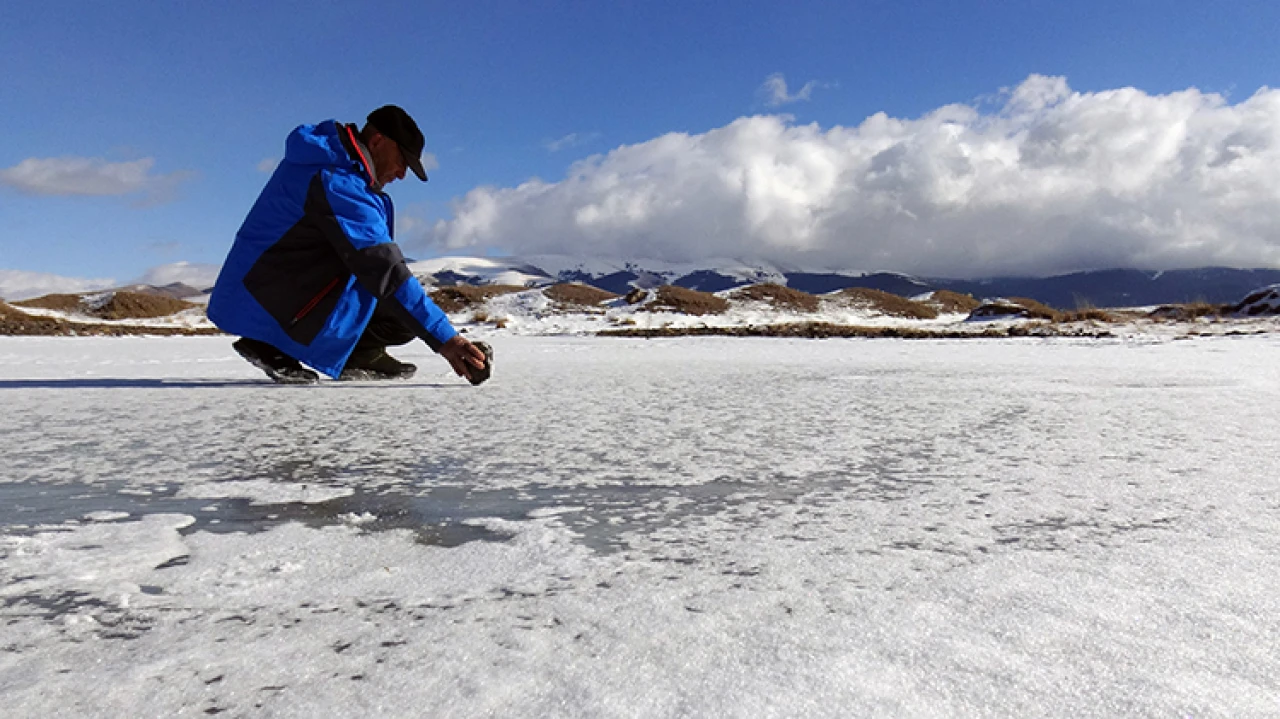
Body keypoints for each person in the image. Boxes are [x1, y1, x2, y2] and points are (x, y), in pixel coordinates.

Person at [207, 105, 490, 384]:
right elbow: (384, 268)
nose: (402, 174)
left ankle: (357, 355)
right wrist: (447, 340)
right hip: (265, 298)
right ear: (378, 141)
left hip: (273, 289)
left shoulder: (340, 171)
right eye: (402, 160)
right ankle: (269, 343)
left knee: (402, 318)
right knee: (398, 296)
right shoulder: (337, 181)